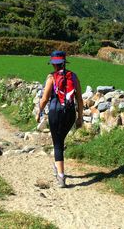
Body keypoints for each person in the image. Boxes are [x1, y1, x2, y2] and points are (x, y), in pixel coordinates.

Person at [36, 50, 83, 188]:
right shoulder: (73, 77)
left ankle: (61, 176)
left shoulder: (51, 77)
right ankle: (57, 166)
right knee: (60, 141)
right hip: (69, 114)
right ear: (64, 63)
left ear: (53, 64)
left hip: (55, 113)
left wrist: (39, 112)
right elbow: (79, 99)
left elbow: (45, 99)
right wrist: (80, 117)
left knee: (57, 144)